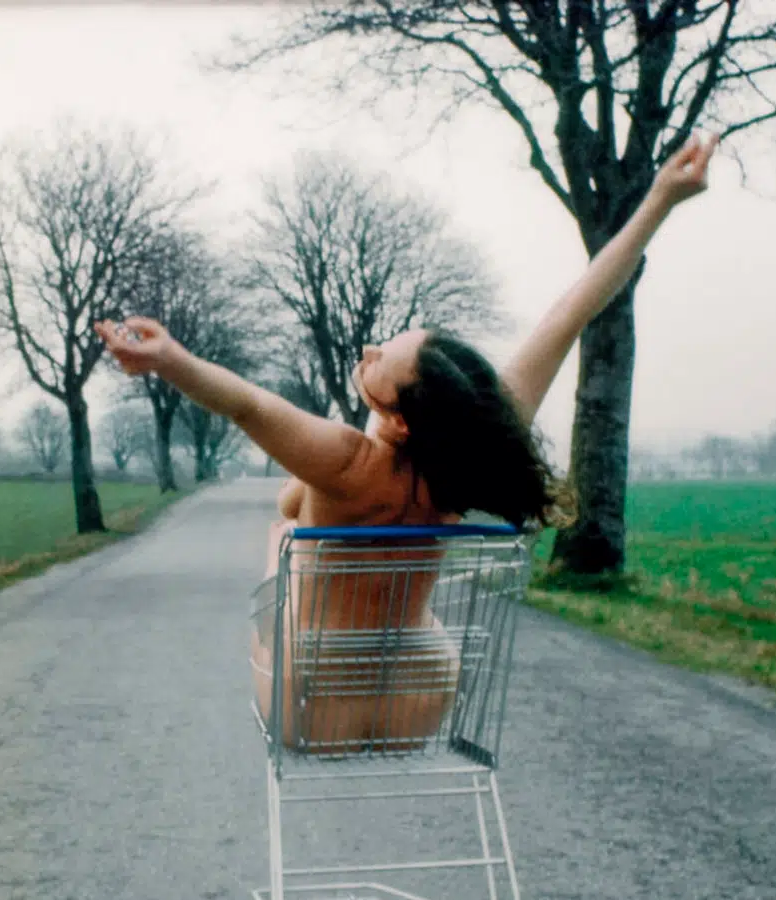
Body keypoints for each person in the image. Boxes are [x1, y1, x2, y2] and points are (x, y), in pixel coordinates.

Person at [97, 133, 719, 749]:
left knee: (282, 536)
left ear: (400, 422)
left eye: (379, 361)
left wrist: (170, 359)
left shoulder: (347, 462)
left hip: (310, 704)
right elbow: (570, 315)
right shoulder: (470, 456)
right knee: (339, 555)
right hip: (420, 699)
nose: (368, 351)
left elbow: (249, 405)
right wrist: (659, 199)